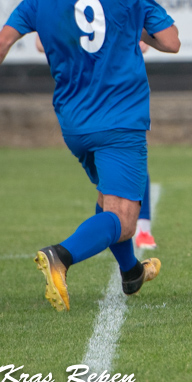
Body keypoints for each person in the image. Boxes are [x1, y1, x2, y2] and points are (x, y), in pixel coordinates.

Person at [0, 0, 180, 311]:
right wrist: (132, 28)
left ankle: (131, 273)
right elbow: (170, 41)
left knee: (108, 200)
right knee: (126, 218)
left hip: (75, 123)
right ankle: (61, 255)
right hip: (120, 120)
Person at [38, 33, 159, 249]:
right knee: (112, 185)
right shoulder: (59, 2)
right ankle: (63, 253)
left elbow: (147, 41)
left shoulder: (117, 1)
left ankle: (141, 233)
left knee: (125, 168)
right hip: (90, 99)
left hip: (108, 96)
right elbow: (41, 41)